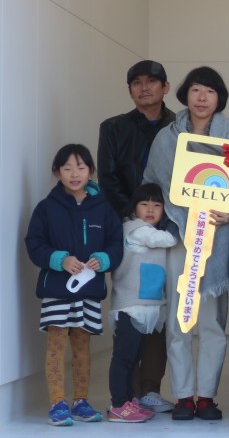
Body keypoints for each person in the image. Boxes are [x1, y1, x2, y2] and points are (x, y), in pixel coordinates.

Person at [143, 66, 229, 421]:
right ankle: (182, 396)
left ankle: (206, 396)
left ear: (219, 97)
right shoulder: (166, 139)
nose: (202, 97)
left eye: (209, 91)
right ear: (185, 94)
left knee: (211, 322)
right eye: (196, 89)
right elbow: (152, 185)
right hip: (180, 238)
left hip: (217, 241)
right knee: (179, 321)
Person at [25, 144, 123, 426]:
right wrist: (59, 259)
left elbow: (116, 244)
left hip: (89, 292)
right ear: (57, 172)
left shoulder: (103, 208)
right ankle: (57, 403)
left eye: (80, 167)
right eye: (67, 168)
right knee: (56, 347)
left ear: (91, 171)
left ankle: (81, 401)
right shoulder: (46, 208)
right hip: (56, 291)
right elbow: (34, 244)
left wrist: (104, 259)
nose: (74, 174)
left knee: (82, 347)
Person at [97, 59, 176, 413]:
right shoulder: (113, 127)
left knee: (160, 305)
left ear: (165, 87)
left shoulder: (180, 126)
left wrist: (169, 222)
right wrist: (132, 218)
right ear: (129, 90)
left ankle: (150, 388)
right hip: (128, 230)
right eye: (137, 83)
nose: (145, 88)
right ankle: (127, 394)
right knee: (131, 303)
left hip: (171, 227)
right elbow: (109, 179)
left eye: (152, 81)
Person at [108, 183, 178, 423]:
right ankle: (118, 404)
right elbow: (168, 239)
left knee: (133, 357)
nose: (150, 210)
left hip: (144, 306)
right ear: (134, 208)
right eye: (144, 204)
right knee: (124, 358)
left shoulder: (147, 229)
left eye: (157, 205)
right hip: (130, 306)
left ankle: (129, 402)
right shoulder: (135, 228)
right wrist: (181, 222)